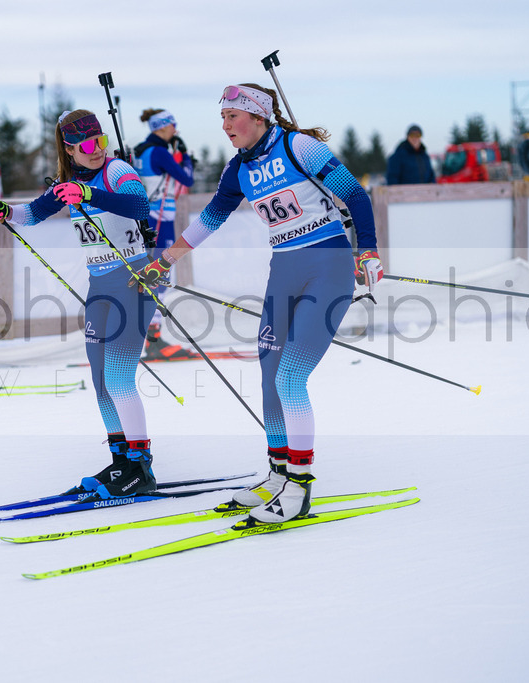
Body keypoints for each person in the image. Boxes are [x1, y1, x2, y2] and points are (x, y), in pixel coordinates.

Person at [130, 83, 382, 525]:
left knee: (291, 376)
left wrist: (369, 250)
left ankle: (300, 488)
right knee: (269, 373)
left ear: (258, 116)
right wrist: (164, 260)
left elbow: (355, 195)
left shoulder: (299, 146)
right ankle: (278, 473)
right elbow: (211, 217)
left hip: (327, 267)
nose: (225, 126)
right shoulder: (239, 169)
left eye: (232, 116)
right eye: (223, 118)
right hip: (283, 269)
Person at [0, 110, 157, 498]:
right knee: (100, 380)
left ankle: (141, 468)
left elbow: (139, 206)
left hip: (133, 279)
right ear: (71, 150)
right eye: (89, 145)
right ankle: (121, 460)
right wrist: (6, 211)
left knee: (120, 378)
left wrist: (89, 193)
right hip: (100, 286)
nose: (98, 150)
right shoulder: (68, 181)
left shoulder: (118, 170)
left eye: (101, 141)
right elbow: (35, 212)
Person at [133, 109, 196, 360]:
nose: (175, 131)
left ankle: (150, 338)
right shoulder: (159, 151)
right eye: (173, 126)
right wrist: (187, 158)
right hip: (160, 221)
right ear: (161, 127)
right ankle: (153, 341)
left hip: (146, 219)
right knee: (158, 276)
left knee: (151, 276)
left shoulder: (142, 150)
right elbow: (187, 179)